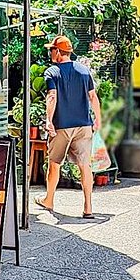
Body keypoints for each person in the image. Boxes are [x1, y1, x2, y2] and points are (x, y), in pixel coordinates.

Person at [40, 35, 101, 217]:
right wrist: (98, 119)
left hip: (62, 126)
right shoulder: (84, 71)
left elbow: (52, 96)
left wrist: (49, 120)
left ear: (58, 52)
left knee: (54, 163)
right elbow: (93, 97)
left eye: (52, 50)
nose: (50, 53)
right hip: (83, 126)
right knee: (85, 166)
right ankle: (88, 208)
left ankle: (49, 200)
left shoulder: (52, 72)